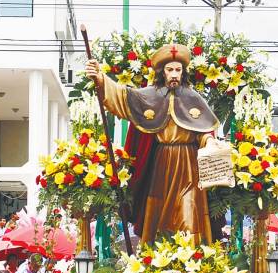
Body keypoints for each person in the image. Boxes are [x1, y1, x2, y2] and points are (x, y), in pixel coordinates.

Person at [85, 44, 222, 245]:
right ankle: (154, 257)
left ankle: (192, 261)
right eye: (170, 69)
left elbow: (203, 130)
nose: (174, 74)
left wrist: (209, 141)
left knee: (189, 207)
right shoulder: (149, 96)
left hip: (188, 165)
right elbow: (122, 96)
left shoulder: (193, 98)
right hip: (161, 164)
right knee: (158, 210)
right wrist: (100, 78)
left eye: (178, 69)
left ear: (183, 72)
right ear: (162, 72)